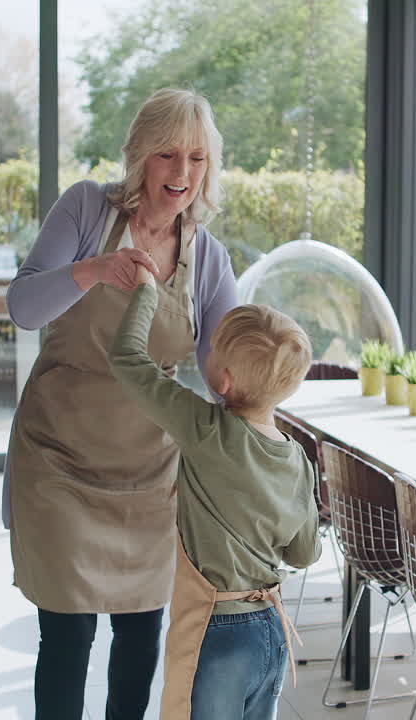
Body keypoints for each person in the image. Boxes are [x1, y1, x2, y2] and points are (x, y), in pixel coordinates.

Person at [1, 88, 239, 720]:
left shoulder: (207, 256)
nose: (182, 175)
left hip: (149, 471)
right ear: (139, 156)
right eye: (167, 155)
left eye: (196, 158)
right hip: (57, 457)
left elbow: (223, 372)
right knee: (69, 632)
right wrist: (93, 270)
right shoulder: (85, 209)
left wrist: (261, 375)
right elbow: (23, 308)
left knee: (139, 636)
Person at [109, 266, 322, 720]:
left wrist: (146, 293)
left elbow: (128, 360)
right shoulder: (298, 458)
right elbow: (304, 553)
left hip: (214, 630)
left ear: (222, 381)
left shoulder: (205, 428)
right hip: (271, 630)